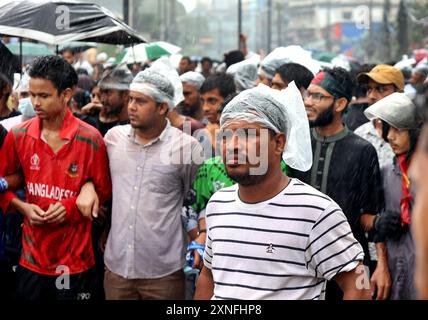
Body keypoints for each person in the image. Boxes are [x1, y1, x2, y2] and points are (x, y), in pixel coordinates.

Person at [194, 83, 371, 300]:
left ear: (279, 143)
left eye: (247, 134)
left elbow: (359, 283)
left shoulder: (315, 211)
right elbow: (209, 276)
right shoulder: (218, 204)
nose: (233, 146)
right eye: (226, 136)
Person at [0, 55, 112, 300]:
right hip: (31, 259)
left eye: (44, 96)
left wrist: (71, 205)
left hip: (76, 261)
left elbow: (104, 192)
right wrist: (23, 208)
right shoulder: (18, 136)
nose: (36, 103)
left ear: (66, 94)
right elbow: (4, 182)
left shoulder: (90, 139)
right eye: (31, 95)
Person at [102, 57, 204, 300]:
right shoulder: (112, 140)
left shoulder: (186, 148)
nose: (132, 107)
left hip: (164, 272)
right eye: (131, 99)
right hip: (117, 269)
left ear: (162, 107)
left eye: (141, 101)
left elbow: (196, 201)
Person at [289, 68, 387, 300]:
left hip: (349, 263)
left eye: (318, 97)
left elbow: (369, 215)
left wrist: (380, 265)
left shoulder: (363, 150)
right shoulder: (295, 146)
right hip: (297, 261)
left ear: (340, 103)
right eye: (308, 95)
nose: (309, 102)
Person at [364, 92, 422, 299]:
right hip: (394, 276)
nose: (390, 137)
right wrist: (381, 264)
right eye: (388, 129)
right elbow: (370, 218)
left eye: (398, 129)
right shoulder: (386, 172)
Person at [354, 64, 405, 170]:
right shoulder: (361, 133)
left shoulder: (410, 137)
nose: (371, 96)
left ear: (399, 93)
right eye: (369, 89)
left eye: (381, 89)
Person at [199, 74, 236, 157]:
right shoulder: (203, 130)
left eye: (212, 101)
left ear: (228, 100)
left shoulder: (243, 133)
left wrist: (216, 142)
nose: (205, 108)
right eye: (202, 101)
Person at [92, 67, 133, 136]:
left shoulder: (136, 127)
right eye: (101, 93)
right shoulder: (95, 121)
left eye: (108, 92)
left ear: (125, 94)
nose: (102, 99)